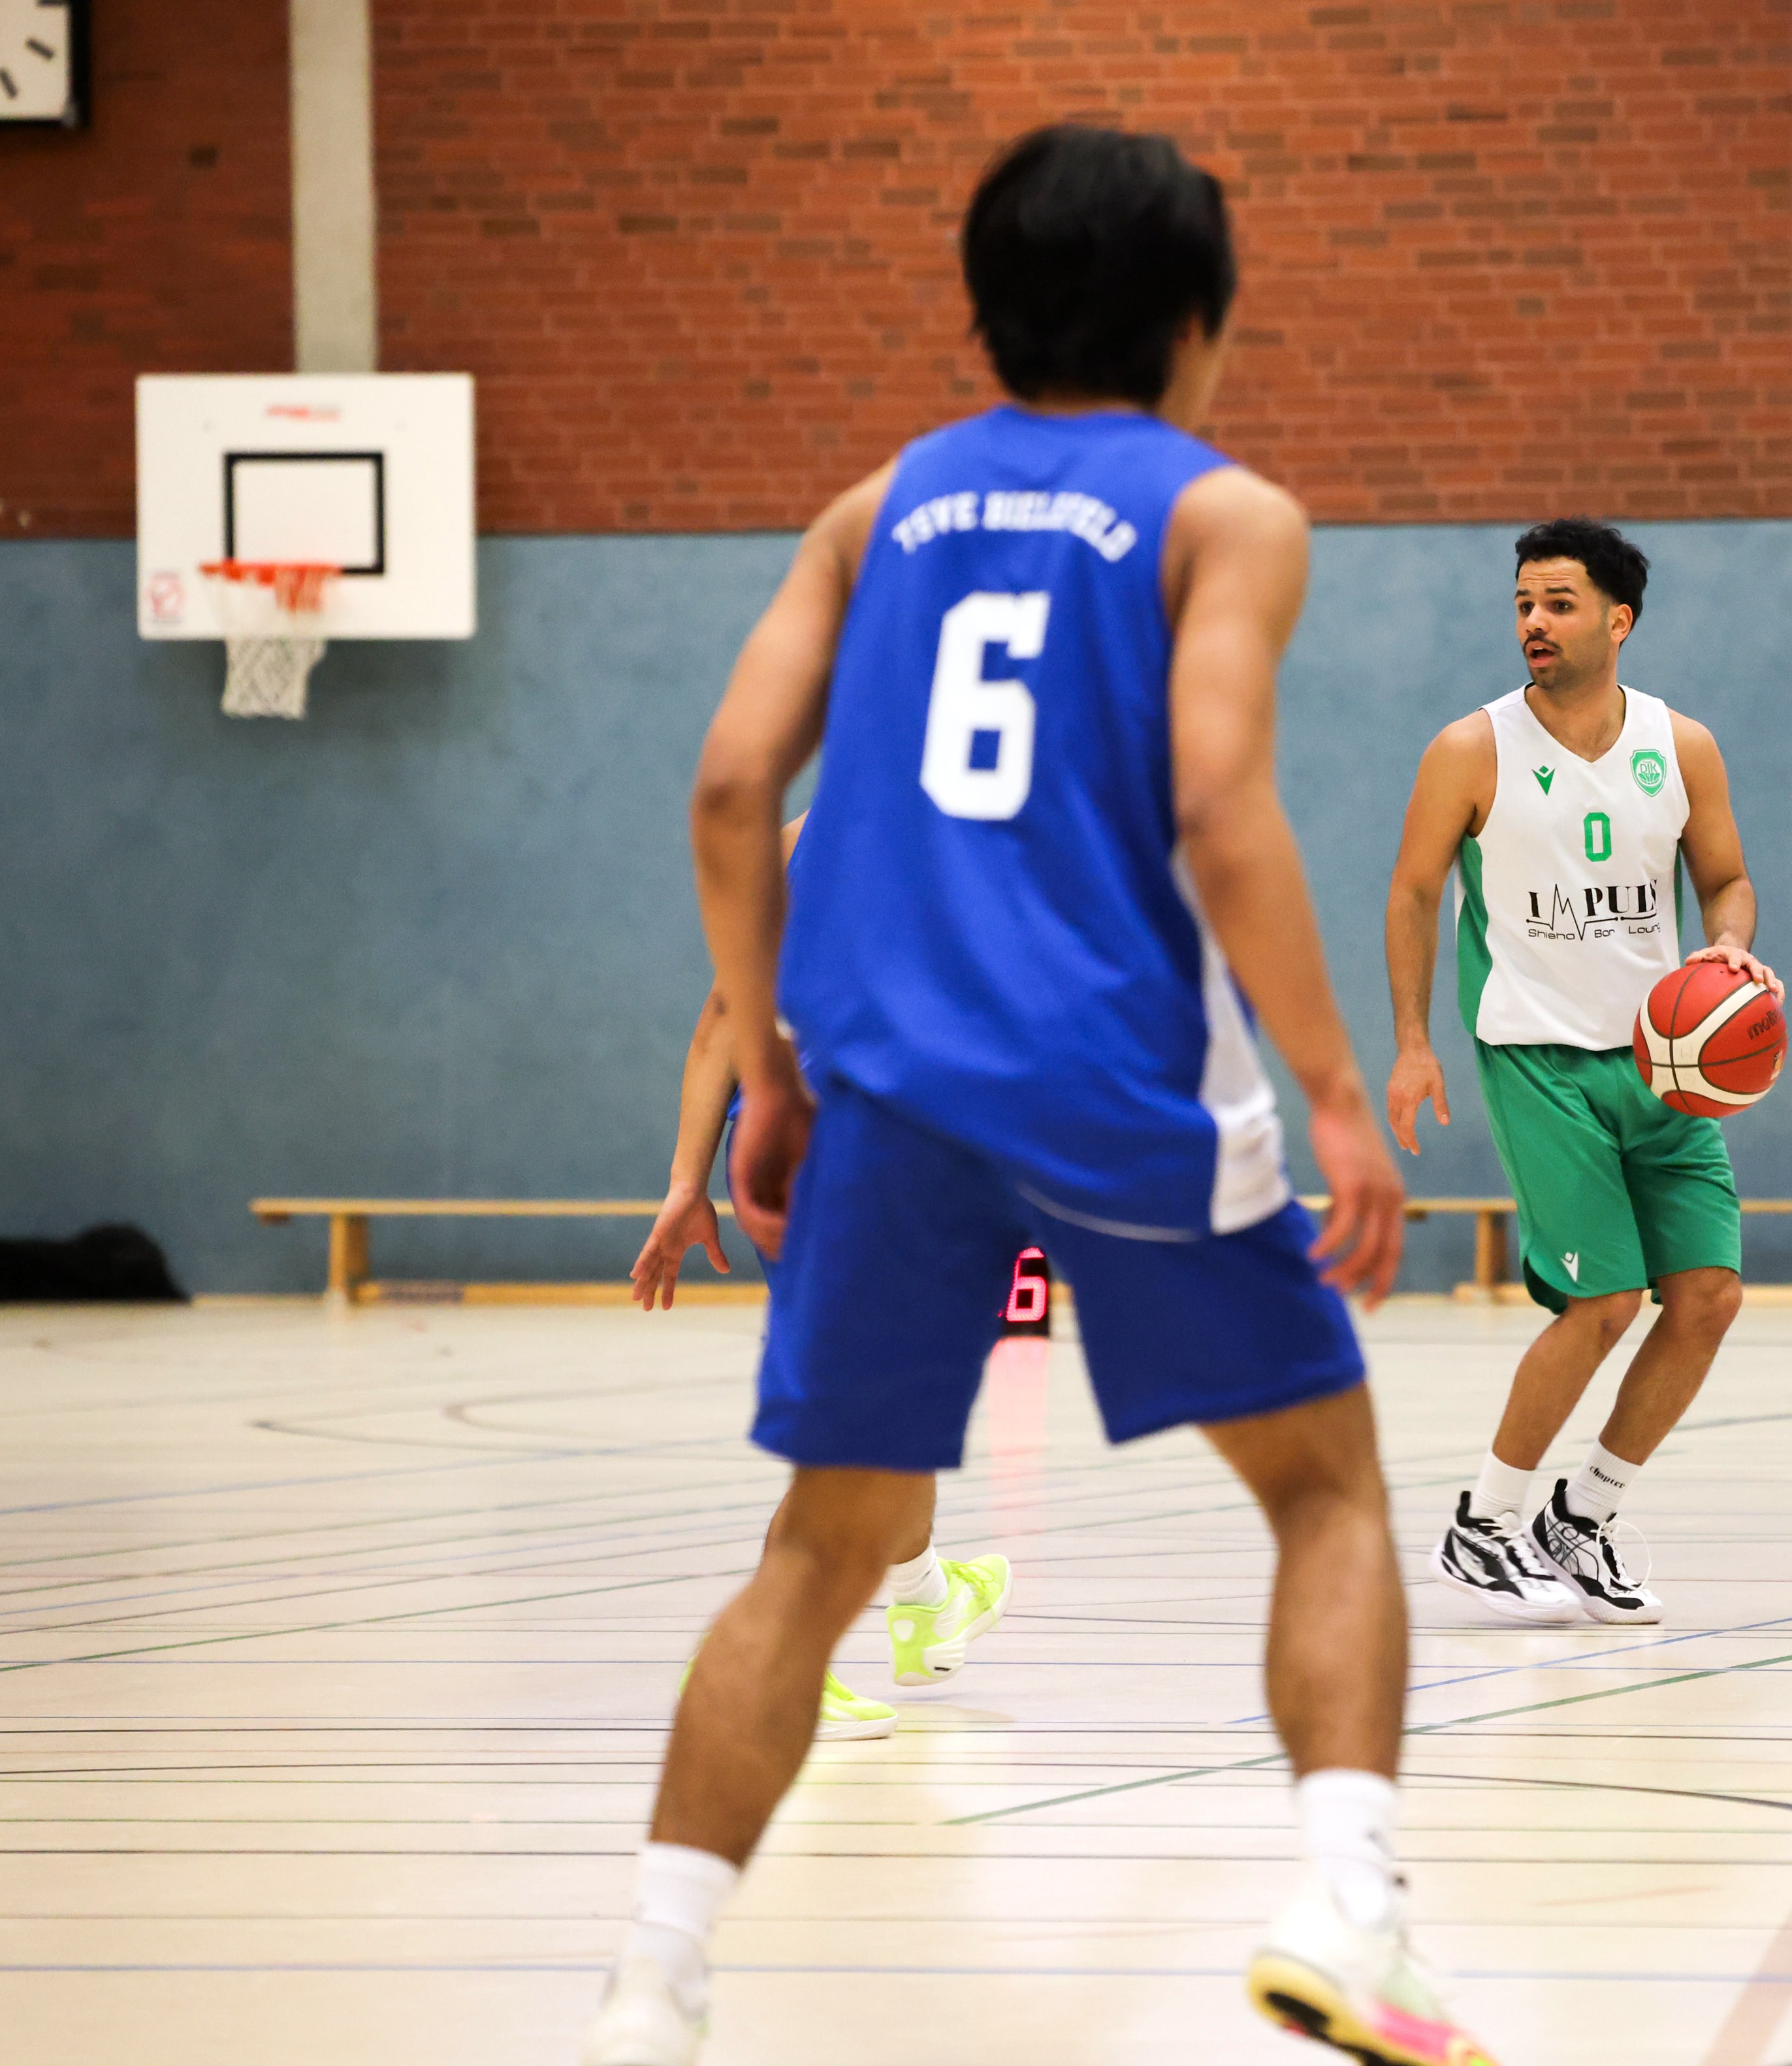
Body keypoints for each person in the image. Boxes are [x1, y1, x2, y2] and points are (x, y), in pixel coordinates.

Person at [582, 125, 1494, 2066]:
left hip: (890, 1094)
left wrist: (767, 1069)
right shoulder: (1223, 515)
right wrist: (1336, 1091)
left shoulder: (872, 510)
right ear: (1199, 322)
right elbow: (1216, 801)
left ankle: (652, 1984)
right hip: (1114, 1077)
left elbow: (731, 789)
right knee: (1323, 1490)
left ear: (983, 309)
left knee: (818, 1553)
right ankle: (1350, 1909)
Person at [1384, 519, 1776, 1626]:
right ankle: (1483, 1522)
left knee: (1707, 1297)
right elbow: (1412, 893)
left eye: (1558, 603)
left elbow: (1728, 879)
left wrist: (1728, 948)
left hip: (1663, 1060)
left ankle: (1583, 1514)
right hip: (1536, 1054)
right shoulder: (1471, 748)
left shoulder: (1681, 745)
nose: (1534, 622)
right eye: (1523, 603)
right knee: (1601, 1301)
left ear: (1619, 618)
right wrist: (1413, 1044)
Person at [628, 808, 1014, 1746]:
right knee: (870, 1417)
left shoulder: (804, 833)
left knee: (898, 1399)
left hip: (777, 1150)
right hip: (868, 1153)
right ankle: (764, 1656)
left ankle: (927, 1596)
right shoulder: (986, 840)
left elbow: (724, 1015)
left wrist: (685, 1182)